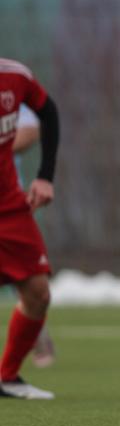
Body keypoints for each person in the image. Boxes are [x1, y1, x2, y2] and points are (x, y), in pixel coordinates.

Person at [0, 57, 60, 400]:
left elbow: (47, 113)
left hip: (9, 206)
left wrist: (45, 177)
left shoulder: (15, 77)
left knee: (38, 292)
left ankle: (7, 377)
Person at [12, 105, 56, 369]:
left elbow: (30, 129)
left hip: (7, 201)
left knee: (28, 278)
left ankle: (34, 330)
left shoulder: (7, 83)